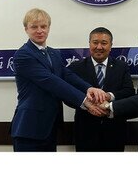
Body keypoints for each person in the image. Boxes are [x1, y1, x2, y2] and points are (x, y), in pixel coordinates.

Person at [10, 8, 106, 152]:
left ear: (49, 28)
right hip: (29, 128)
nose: (40, 30)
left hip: (50, 127)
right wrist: (84, 101)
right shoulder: (23, 55)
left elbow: (66, 75)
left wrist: (88, 88)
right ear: (26, 29)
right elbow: (52, 81)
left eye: (43, 26)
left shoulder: (54, 53)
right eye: (34, 27)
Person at [69, 27, 135, 151]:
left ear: (110, 46)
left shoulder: (121, 67)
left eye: (104, 43)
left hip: (115, 132)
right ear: (89, 44)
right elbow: (68, 96)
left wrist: (109, 96)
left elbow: (129, 92)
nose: (99, 47)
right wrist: (86, 105)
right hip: (85, 133)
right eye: (95, 42)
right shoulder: (76, 68)